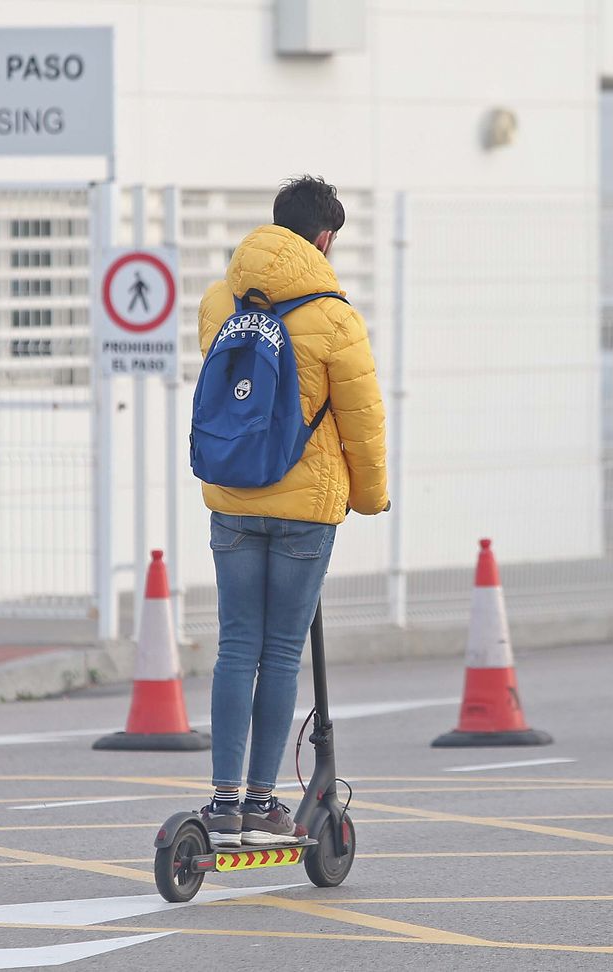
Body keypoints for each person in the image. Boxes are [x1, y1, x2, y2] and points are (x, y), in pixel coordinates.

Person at [195, 176, 390, 848]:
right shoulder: (336, 317)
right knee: (280, 653)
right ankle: (261, 802)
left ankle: (221, 803)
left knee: (234, 646)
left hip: (233, 497)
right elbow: (363, 421)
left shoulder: (220, 301)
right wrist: (368, 496)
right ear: (325, 238)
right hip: (306, 509)